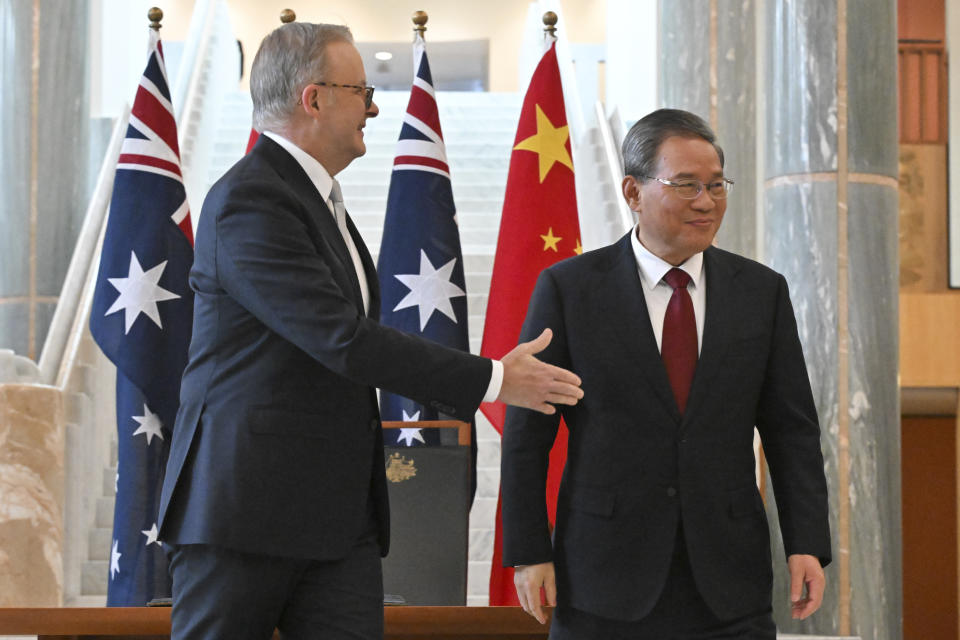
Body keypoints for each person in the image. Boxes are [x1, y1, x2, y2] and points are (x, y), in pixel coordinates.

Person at [157, 22, 583, 640]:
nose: (376, 107)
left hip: (337, 522)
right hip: (244, 514)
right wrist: (493, 377)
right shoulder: (250, 200)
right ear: (314, 98)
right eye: (361, 91)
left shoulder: (318, 201)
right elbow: (342, 340)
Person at [501, 108, 831, 639]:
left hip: (728, 581)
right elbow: (527, 435)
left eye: (716, 185)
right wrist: (527, 550)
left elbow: (792, 431)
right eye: (685, 185)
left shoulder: (761, 292)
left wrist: (807, 542)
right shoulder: (570, 289)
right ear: (633, 192)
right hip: (602, 578)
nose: (706, 201)